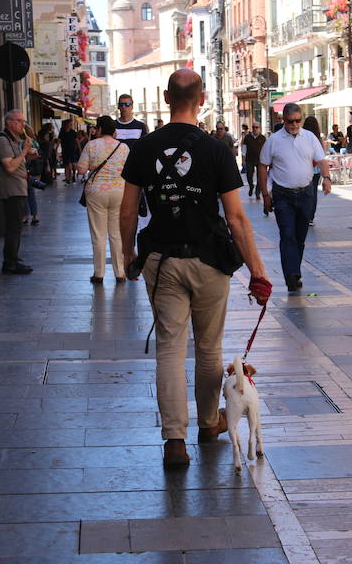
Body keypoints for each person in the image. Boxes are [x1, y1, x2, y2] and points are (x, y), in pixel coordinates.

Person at [119, 68, 270, 468]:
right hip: (208, 261)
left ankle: (174, 441)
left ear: (167, 99)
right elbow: (236, 218)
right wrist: (257, 270)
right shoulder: (217, 149)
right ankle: (208, 423)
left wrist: (126, 255)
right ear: (201, 100)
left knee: (170, 348)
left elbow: (129, 209)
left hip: (162, 260)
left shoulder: (144, 148)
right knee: (208, 348)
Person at [259, 102, 332, 291]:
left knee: (299, 237)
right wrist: (265, 194)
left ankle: (295, 271)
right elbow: (262, 166)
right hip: (283, 195)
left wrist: (326, 178)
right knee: (287, 234)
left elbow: (322, 160)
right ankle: (291, 276)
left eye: (298, 121)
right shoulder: (274, 140)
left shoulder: (309, 138)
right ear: (284, 120)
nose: (294, 125)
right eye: (291, 121)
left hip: (306, 193)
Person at [77, 115, 129, 284]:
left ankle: (99, 273)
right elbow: (129, 171)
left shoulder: (91, 145)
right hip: (118, 191)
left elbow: (81, 170)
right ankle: (120, 272)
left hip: (96, 192)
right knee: (116, 233)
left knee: (98, 233)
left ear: (98, 129)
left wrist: (93, 165)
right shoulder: (123, 147)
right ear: (114, 131)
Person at [0, 109, 34, 274]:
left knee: (16, 226)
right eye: (19, 121)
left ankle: (13, 257)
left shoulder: (13, 139)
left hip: (18, 187)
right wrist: (24, 151)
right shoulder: (2, 140)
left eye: (23, 120)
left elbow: (18, 162)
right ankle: (10, 263)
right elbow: (9, 167)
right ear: (9, 122)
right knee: (13, 227)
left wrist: (27, 153)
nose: (23, 124)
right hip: (10, 189)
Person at [303, 116, 325, 226]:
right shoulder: (318, 139)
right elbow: (321, 155)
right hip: (316, 169)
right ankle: (311, 217)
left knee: (305, 192)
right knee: (314, 193)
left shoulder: (303, 137)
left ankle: (305, 215)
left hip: (305, 168)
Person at [22, 124, 43, 226]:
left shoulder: (25, 142)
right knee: (31, 193)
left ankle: (25, 216)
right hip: (34, 170)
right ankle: (35, 215)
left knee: (25, 194)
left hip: (25, 170)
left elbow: (25, 156)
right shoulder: (35, 142)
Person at [242, 122, 266, 199]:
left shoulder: (263, 138)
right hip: (249, 159)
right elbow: (244, 149)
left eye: (257, 127)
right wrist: (243, 160)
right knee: (249, 175)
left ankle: (257, 192)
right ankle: (251, 186)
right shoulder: (247, 137)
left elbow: (266, 150)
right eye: (253, 127)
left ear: (259, 128)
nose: (255, 129)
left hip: (260, 160)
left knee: (260, 177)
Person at [58, 120, 79, 184]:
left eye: (71, 124)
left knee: (73, 165)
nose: (71, 125)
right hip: (65, 151)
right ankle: (68, 178)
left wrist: (79, 149)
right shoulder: (62, 132)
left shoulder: (73, 132)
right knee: (67, 165)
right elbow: (59, 140)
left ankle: (73, 175)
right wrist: (56, 149)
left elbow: (77, 140)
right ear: (66, 124)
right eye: (70, 124)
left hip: (72, 150)